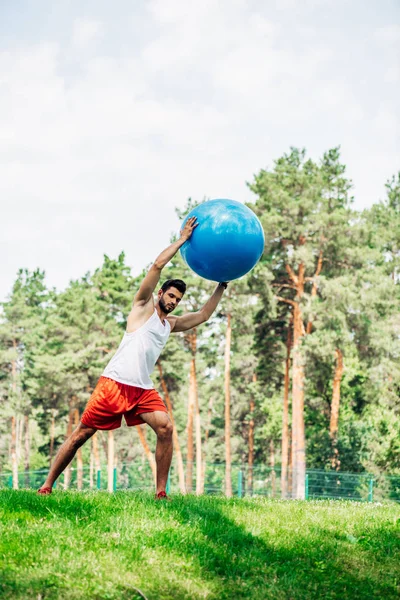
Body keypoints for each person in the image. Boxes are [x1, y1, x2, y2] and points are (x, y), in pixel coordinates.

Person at [38, 217, 228, 498]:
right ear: (161, 293)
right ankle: (47, 485)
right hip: (114, 384)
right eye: (171, 295)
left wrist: (221, 285)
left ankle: (161, 493)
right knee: (81, 434)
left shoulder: (169, 324)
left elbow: (202, 315)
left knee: (166, 428)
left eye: (178, 299)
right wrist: (183, 240)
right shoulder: (142, 308)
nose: (174, 301)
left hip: (141, 389)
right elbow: (156, 266)